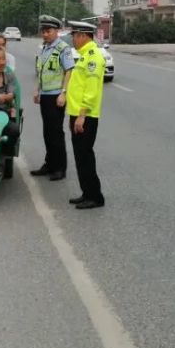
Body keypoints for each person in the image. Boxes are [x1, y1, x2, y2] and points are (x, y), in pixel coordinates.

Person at [65, 20, 106, 209]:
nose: (73, 39)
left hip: (86, 116)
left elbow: (91, 91)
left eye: (74, 35)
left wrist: (82, 115)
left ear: (83, 35)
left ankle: (95, 197)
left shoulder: (92, 57)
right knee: (80, 157)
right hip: (77, 113)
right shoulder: (83, 55)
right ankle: (86, 192)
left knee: (85, 156)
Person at [31, 15, 74, 181]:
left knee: (56, 133)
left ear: (57, 31)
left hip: (57, 95)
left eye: (48, 31)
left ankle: (59, 168)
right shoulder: (44, 48)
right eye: (43, 31)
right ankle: (49, 164)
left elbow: (69, 71)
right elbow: (42, 72)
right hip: (45, 95)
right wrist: (37, 90)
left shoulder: (63, 48)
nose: (45, 34)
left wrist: (64, 92)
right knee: (47, 132)